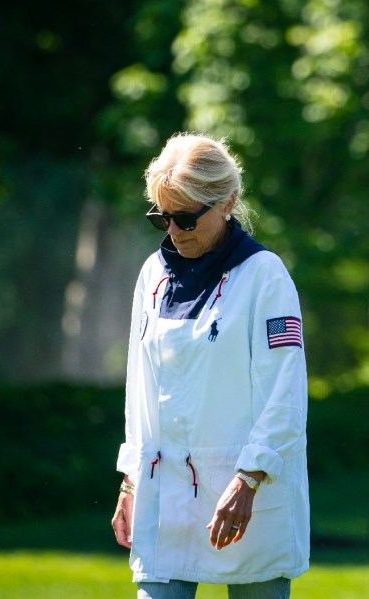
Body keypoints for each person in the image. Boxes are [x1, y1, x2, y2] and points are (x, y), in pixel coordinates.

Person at [111, 133, 310, 599]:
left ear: (228, 203)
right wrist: (130, 478)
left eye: (184, 218)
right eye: (161, 218)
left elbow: (285, 392)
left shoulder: (265, 276)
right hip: (166, 492)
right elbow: (139, 387)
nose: (173, 232)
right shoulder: (152, 276)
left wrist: (249, 479)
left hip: (250, 494)